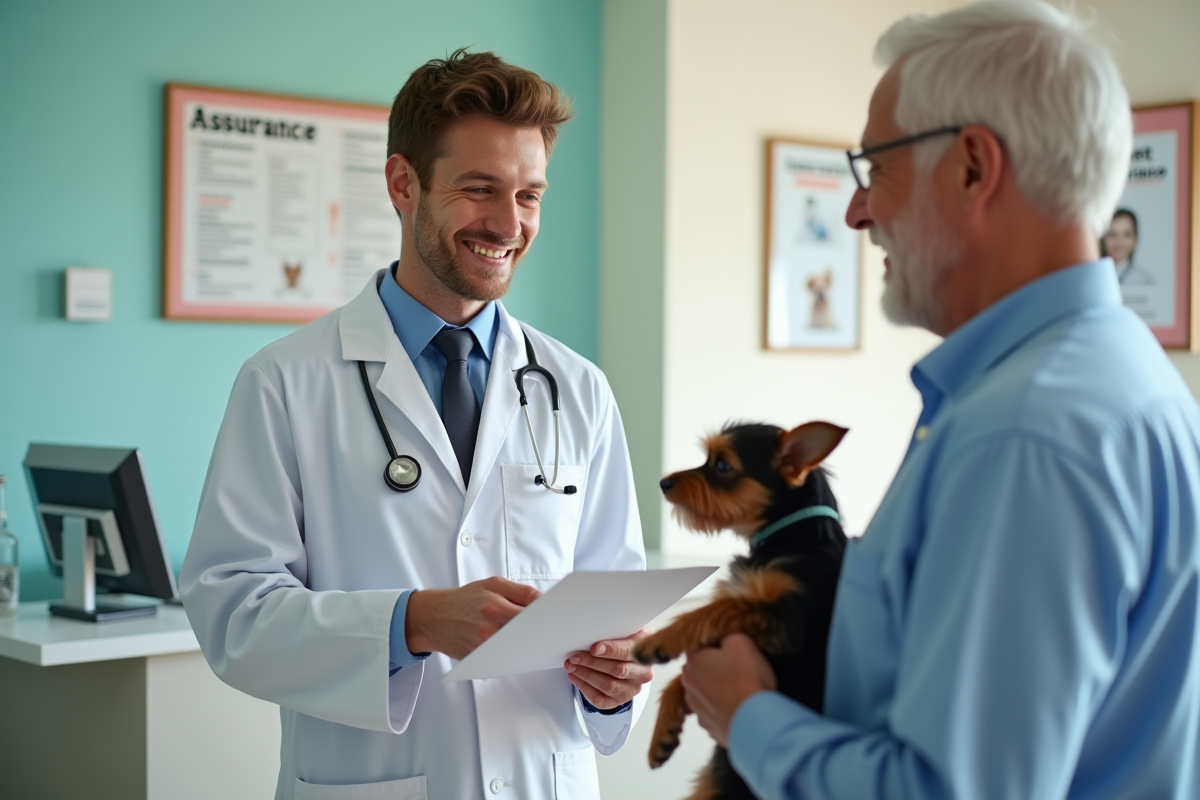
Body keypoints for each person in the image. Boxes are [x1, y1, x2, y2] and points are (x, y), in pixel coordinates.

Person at [680, 2, 1200, 799]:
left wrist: (747, 718)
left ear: (971, 168)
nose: (856, 210)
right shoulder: (1136, 382)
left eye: (875, 168)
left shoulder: (1024, 436)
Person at [180, 50, 652, 800]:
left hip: (543, 777)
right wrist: (411, 624)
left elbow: (616, 598)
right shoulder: (287, 381)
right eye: (479, 189)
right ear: (404, 184)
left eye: (530, 194)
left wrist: (621, 676)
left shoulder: (577, 389)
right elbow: (231, 613)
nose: (509, 223)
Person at [1101, 207, 1154, 285]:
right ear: (1103, 238)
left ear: (1135, 239)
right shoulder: (1095, 276)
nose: (1119, 242)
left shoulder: (1145, 280)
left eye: (1126, 235)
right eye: (1112, 234)